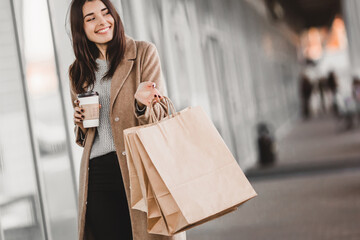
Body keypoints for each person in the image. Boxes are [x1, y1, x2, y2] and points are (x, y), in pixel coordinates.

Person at [68, 1, 186, 240]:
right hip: (98, 175)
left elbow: (160, 119)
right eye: (91, 18)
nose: (102, 22)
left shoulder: (143, 53)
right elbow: (87, 135)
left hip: (139, 169)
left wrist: (142, 104)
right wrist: (80, 123)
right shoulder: (77, 71)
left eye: (105, 13)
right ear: (81, 28)